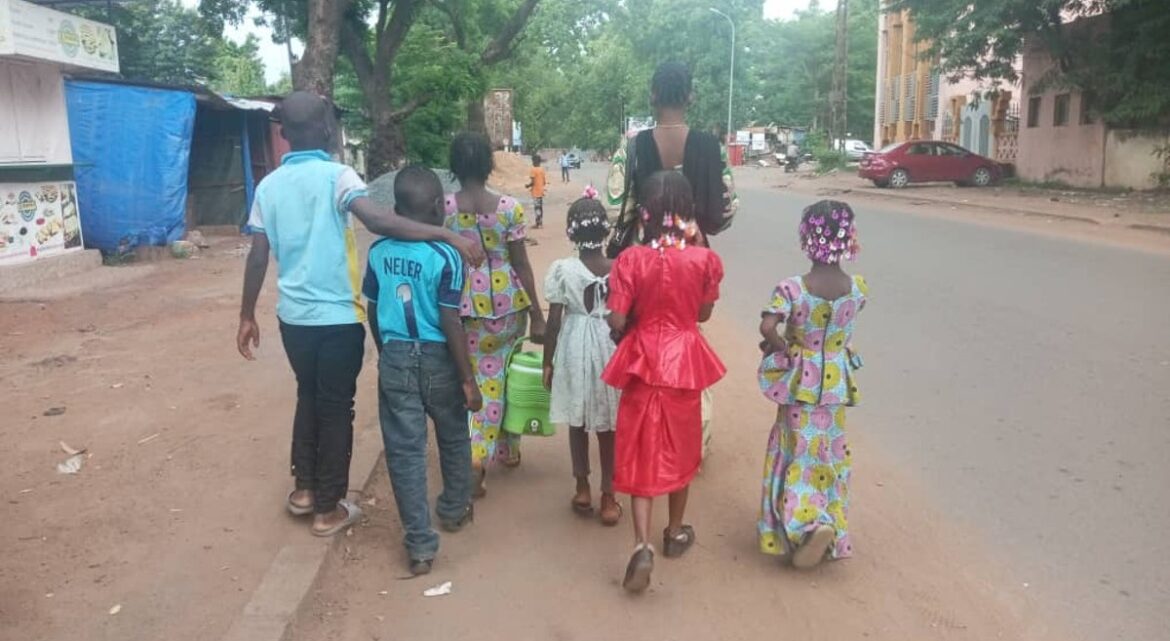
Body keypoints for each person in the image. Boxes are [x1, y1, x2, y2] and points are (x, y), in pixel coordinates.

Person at [237, 92, 484, 537]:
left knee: (308, 395)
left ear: (285, 133)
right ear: (329, 131)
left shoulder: (268, 186)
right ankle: (328, 508)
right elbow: (379, 222)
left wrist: (246, 314)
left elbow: (258, 255)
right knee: (336, 408)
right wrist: (445, 235)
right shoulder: (338, 176)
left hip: (292, 318)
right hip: (336, 320)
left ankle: (305, 489)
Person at [605, 61, 739, 461]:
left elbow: (616, 207)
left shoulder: (633, 146)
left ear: (652, 95)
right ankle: (688, 443)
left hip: (644, 262)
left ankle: (644, 440)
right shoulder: (710, 146)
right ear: (690, 96)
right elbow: (728, 210)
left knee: (642, 345)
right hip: (693, 260)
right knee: (688, 339)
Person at [602, 171, 725, 592]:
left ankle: (641, 544)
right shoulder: (703, 259)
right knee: (680, 447)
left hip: (642, 360)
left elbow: (618, 318)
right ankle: (673, 533)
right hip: (684, 362)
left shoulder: (631, 260)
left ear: (646, 212)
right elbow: (704, 314)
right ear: (687, 210)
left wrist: (626, 319)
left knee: (640, 451)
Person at [362, 166, 482, 576]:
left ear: (395, 210)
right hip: (439, 359)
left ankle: (420, 545)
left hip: (395, 354)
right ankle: (453, 508)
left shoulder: (377, 252)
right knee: (452, 435)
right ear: (438, 207)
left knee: (405, 452)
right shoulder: (448, 255)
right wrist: (467, 378)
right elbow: (451, 320)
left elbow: (375, 310)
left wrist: (386, 352)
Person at [756, 200, 867, 570]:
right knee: (828, 454)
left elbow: (768, 328)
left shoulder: (792, 289)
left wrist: (784, 350)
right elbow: (843, 328)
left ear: (807, 237)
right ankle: (829, 525)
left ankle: (802, 526)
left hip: (800, 383)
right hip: (836, 385)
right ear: (848, 238)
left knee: (796, 450)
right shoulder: (857, 289)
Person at [445, 132, 547, 497]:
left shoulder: (444, 209)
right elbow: (521, 261)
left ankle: (495, 450)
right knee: (507, 376)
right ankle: (489, 453)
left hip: (464, 307)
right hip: (510, 306)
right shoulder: (509, 208)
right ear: (489, 164)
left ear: (455, 166)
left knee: (481, 382)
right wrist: (537, 313)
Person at [542, 186, 622, 526]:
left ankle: (582, 488)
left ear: (571, 233)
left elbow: (554, 321)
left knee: (578, 418)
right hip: (608, 344)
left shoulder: (562, 269)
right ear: (606, 231)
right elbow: (625, 316)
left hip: (574, 343)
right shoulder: (619, 268)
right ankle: (608, 497)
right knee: (608, 424)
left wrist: (548, 361)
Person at [525, 154, 547, 229]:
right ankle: (540, 222)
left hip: (535, 191)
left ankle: (538, 224)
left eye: (532, 160)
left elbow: (533, 182)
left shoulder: (533, 170)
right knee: (540, 207)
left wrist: (528, 185)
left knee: (536, 208)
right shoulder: (542, 169)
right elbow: (544, 181)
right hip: (541, 191)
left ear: (534, 161)